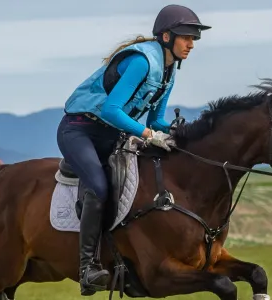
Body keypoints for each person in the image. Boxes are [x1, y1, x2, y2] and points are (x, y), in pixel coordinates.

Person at [55, 4, 211, 296]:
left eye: (194, 39)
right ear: (166, 37)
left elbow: (155, 121)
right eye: (187, 37)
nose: (191, 44)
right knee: (100, 188)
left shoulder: (169, 70)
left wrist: (180, 131)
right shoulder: (142, 62)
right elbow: (111, 110)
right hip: (79, 130)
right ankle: (87, 268)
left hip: (109, 136)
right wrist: (149, 134)